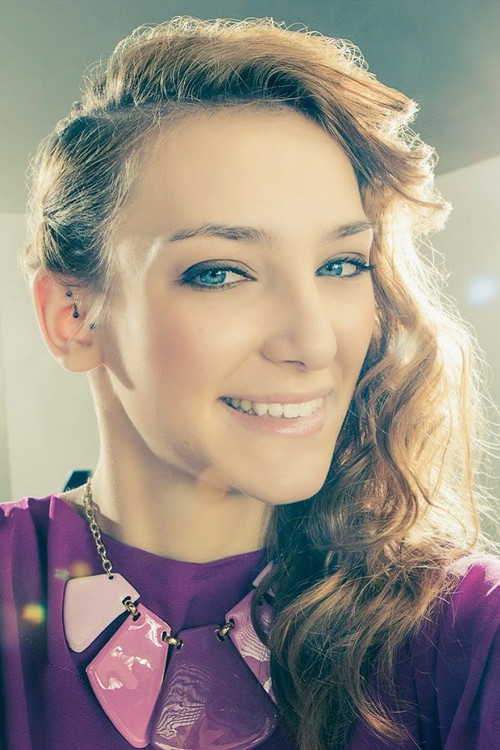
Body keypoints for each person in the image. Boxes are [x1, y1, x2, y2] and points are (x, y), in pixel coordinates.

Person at [1, 15, 499, 750]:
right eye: (222, 272)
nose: (315, 342)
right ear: (74, 316)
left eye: (341, 265)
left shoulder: (465, 627)